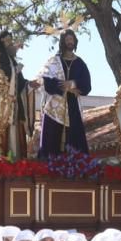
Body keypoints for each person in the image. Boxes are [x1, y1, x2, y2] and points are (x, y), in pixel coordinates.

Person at [37, 29, 92, 157]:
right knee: (51, 137)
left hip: (73, 105)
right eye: (67, 40)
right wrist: (62, 86)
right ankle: (49, 165)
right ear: (62, 42)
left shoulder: (80, 63)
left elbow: (87, 86)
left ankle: (77, 165)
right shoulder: (53, 62)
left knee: (75, 135)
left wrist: (72, 84)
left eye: (72, 40)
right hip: (55, 106)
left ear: (75, 42)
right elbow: (46, 81)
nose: (70, 42)